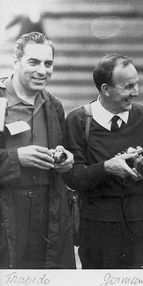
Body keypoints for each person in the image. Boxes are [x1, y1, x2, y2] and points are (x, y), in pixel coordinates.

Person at [64, 54, 143, 269]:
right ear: (106, 89)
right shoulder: (78, 120)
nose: (136, 92)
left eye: (137, 84)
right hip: (98, 230)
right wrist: (107, 168)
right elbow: (73, 177)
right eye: (128, 87)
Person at [0, 32, 75, 269]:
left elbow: (66, 151)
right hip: (7, 211)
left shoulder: (53, 105)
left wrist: (66, 159)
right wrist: (16, 158)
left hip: (47, 212)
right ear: (16, 61)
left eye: (48, 63)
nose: (42, 70)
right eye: (33, 62)